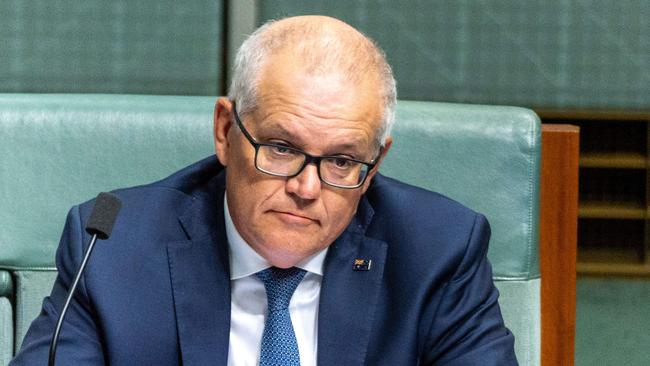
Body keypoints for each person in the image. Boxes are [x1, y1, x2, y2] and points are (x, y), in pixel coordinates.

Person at [11, 16, 517, 365]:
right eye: (280, 147)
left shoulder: (439, 251)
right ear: (225, 131)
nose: (305, 186)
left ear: (376, 161)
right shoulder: (112, 244)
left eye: (341, 161)